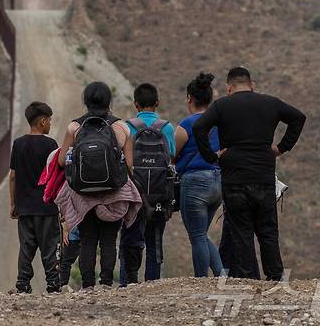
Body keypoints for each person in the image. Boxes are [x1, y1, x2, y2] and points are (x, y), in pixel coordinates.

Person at [193, 67, 305, 280]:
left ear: (229, 87)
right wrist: (281, 147)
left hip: (234, 178)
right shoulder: (271, 103)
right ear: (251, 84)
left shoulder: (222, 106)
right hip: (263, 175)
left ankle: (247, 280)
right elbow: (298, 118)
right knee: (268, 231)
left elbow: (199, 127)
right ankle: (275, 277)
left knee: (241, 232)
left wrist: (211, 156)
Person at [55, 82, 142, 289]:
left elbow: (60, 161)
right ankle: (105, 282)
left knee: (87, 241)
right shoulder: (121, 128)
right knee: (109, 241)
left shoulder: (75, 127)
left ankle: (88, 285)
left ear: (85, 101)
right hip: (113, 193)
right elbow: (130, 166)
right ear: (108, 101)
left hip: (83, 195)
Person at [119, 83, 176, 286]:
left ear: (135, 104)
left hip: (133, 195)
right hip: (159, 196)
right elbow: (172, 157)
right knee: (155, 242)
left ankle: (126, 284)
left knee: (129, 240)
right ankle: (151, 285)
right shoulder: (167, 128)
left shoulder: (127, 127)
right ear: (157, 103)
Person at [175, 73, 224, 277]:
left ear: (189, 98)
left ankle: (201, 280)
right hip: (217, 182)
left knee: (196, 236)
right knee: (201, 234)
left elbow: (172, 154)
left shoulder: (186, 125)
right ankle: (221, 273)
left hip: (195, 182)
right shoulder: (220, 124)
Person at [9, 102, 61, 293]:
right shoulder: (51, 145)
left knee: (26, 248)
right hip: (47, 208)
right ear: (42, 121)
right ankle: (53, 283)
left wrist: (13, 203)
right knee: (50, 247)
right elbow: (56, 177)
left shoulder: (18, 144)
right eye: (50, 121)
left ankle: (23, 283)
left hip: (24, 207)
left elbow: (13, 176)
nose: (50, 125)